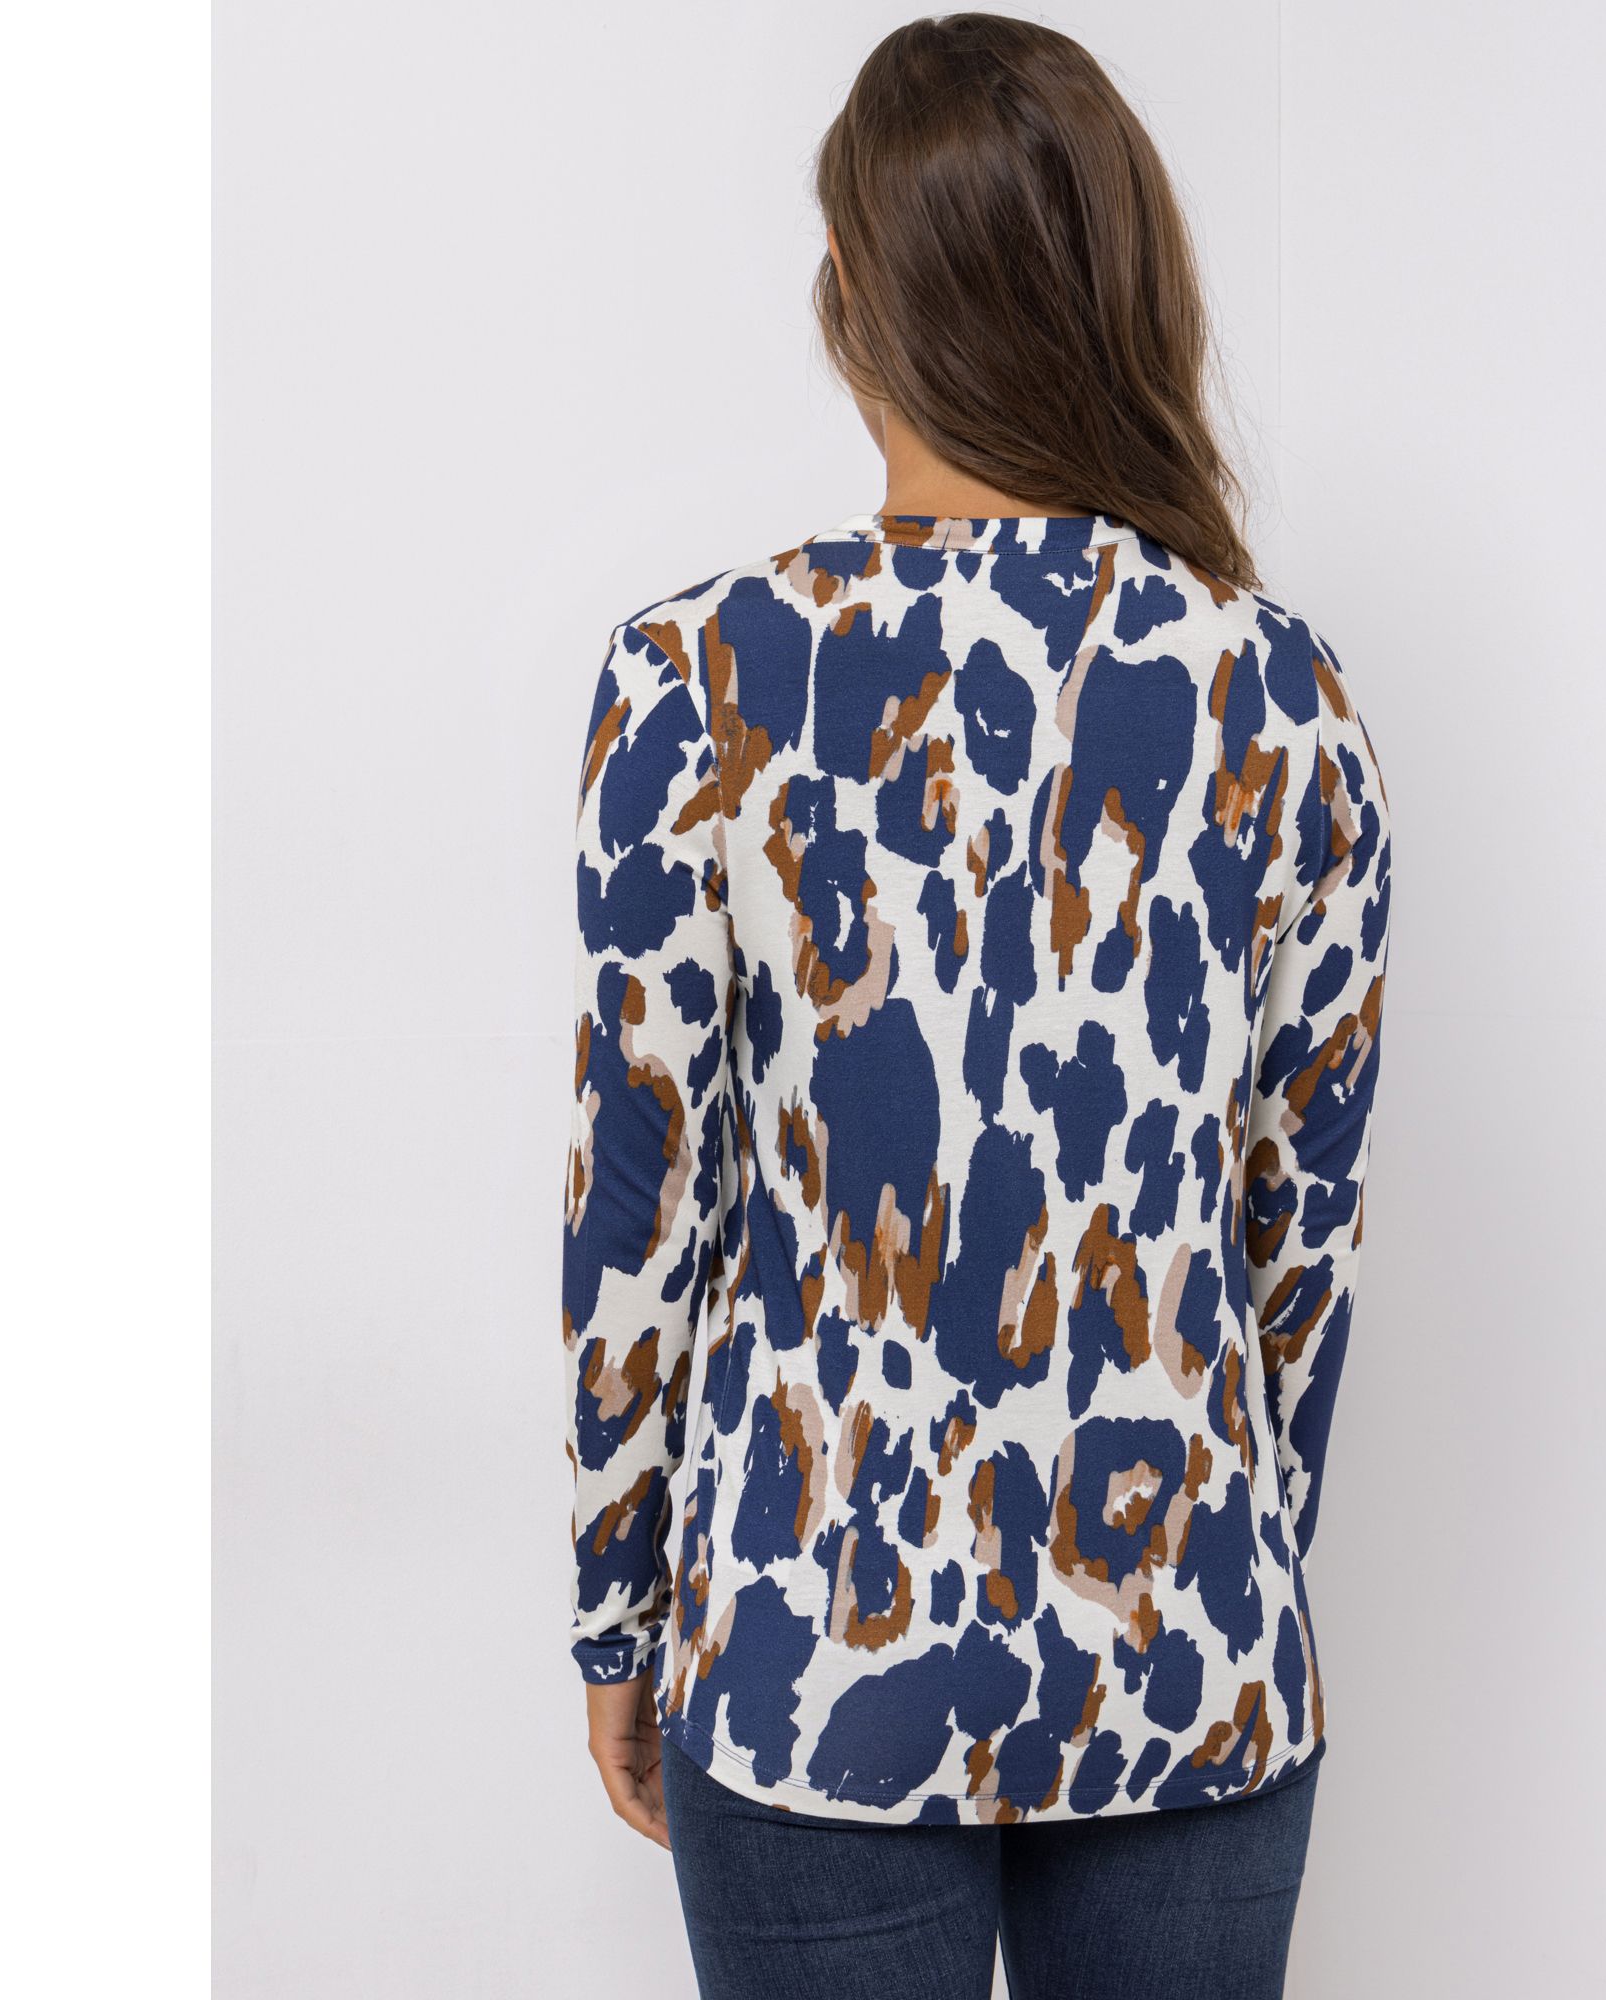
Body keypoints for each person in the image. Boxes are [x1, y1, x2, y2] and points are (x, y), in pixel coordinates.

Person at [563, 15, 1392, 1997]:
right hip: (1184, 1642)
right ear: (1113, 291)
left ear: (853, 296)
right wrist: (1223, 1559)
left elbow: (639, 1209)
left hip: (805, 1649)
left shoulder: (701, 681)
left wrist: (618, 1609)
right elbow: (1302, 1227)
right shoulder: (1275, 695)